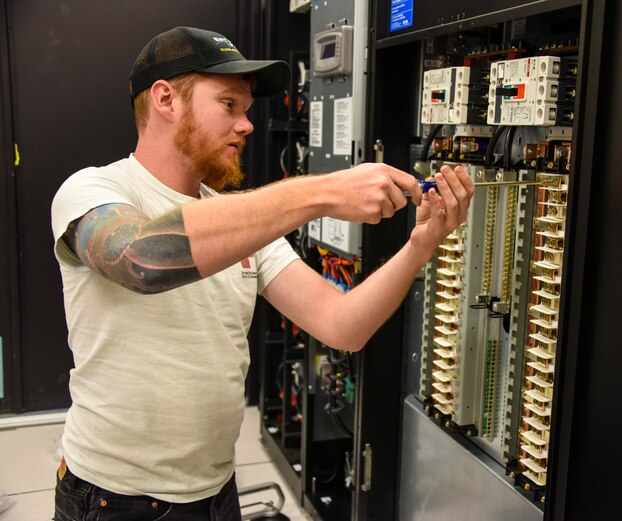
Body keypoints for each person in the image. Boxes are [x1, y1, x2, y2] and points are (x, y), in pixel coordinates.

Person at [50, 26, 474, 520]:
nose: (247, 125)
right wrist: (319, 193)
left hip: (216, 492)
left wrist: (418, 248)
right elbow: (141, 259)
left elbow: (343, 325)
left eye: (246, 109)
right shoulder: (93, 191)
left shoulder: (244, 223)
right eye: (229, 105)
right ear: (166, 99)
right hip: (114, 499)